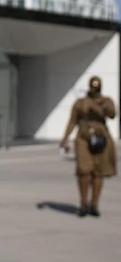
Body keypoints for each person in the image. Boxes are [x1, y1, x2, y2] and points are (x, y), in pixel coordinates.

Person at [60, 76, 117, 217]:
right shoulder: (80, 103)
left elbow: (112, 114)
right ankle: (83, 204)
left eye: (97, 87)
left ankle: (94, 205)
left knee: (99, 172)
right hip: (84, 138)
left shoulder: (106, 101)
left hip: (101, 138)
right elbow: (72, 121)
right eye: (93, 87)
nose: (94, 90)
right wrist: (65, 138)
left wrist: (103, 104)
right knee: (84, 171)